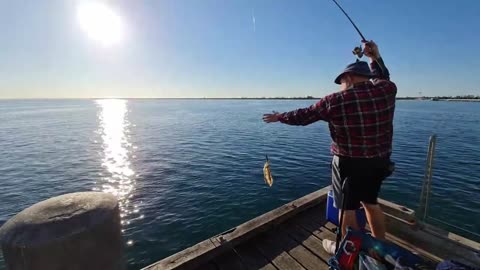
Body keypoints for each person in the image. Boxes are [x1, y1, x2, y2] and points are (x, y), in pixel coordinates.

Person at [263, 41, 396, 254]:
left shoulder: (335, 101)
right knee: (371, 203)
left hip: (348, 164)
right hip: (379, 162)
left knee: (347, 209)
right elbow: (383, 77)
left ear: (348, 78)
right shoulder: (386, 91)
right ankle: (379, 248)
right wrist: (374, 57)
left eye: (341, 81)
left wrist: (280, 117)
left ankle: (349, 251)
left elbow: (304, 116)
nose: (341, 86)